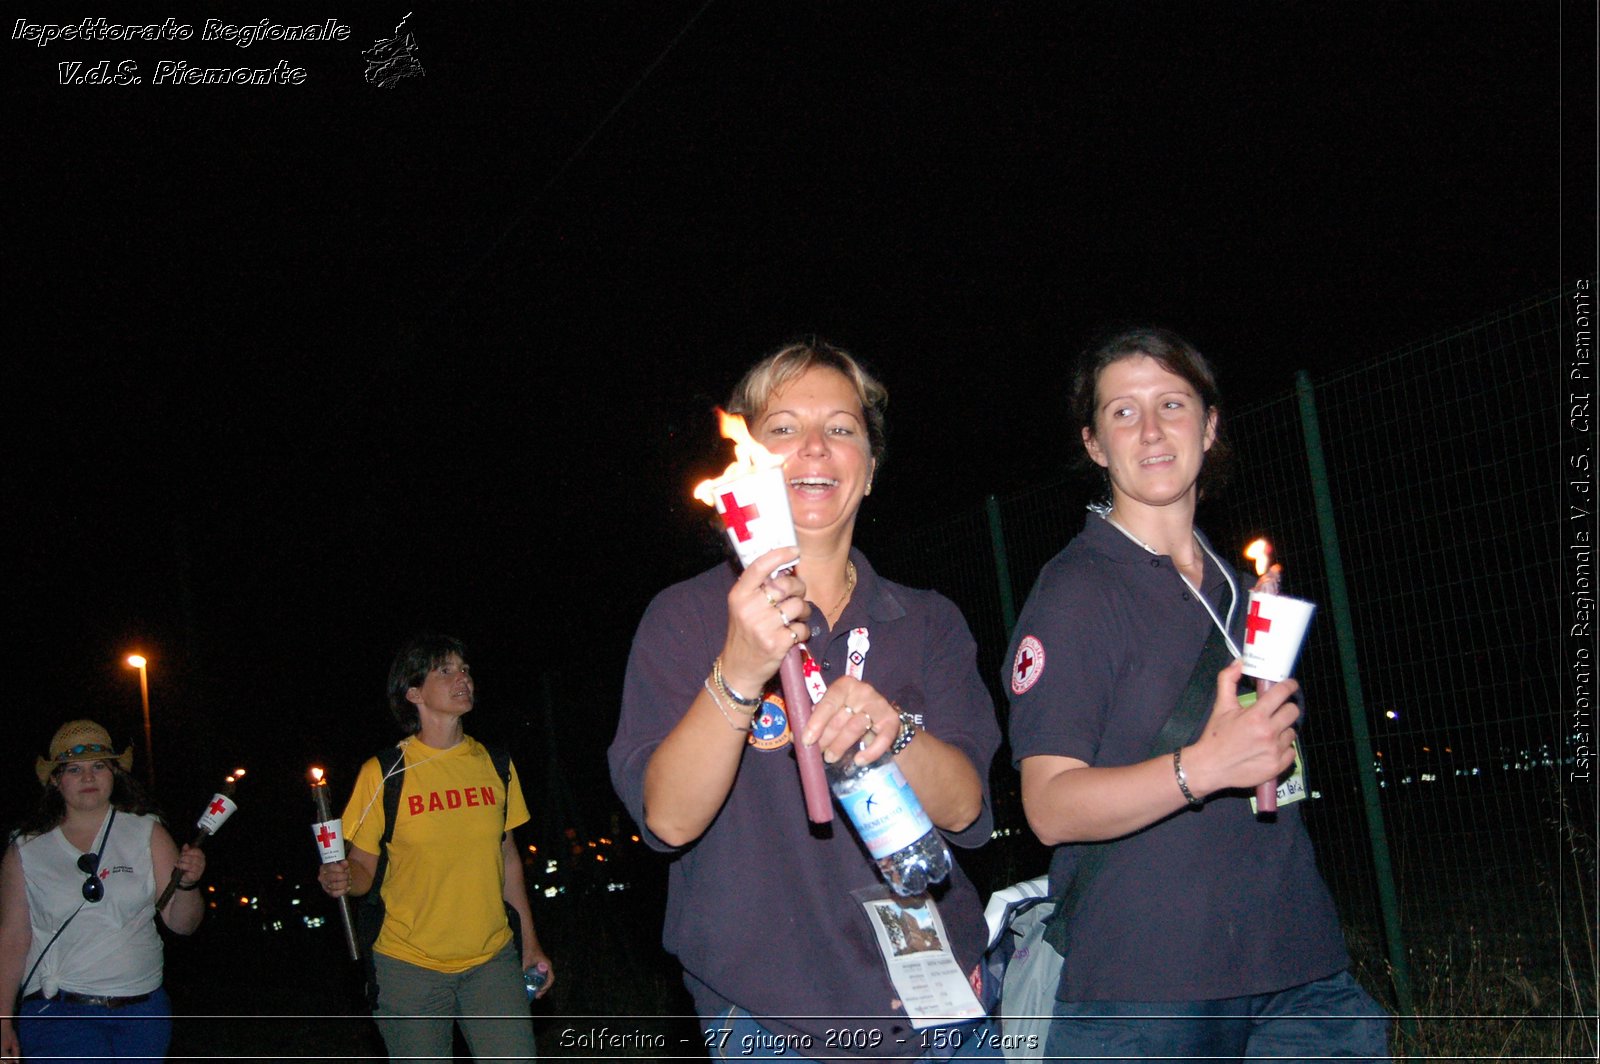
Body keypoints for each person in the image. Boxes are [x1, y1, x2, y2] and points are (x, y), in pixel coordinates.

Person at [609, 340, 1003, 1062]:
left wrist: (898, 735)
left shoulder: (928, 620)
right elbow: (665, 820)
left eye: (843, 428)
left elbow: (966, 810)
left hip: (947, 1009)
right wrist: (737, 668)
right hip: (775, 1025)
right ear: (746, 463)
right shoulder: (685, 618)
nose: (815, 448)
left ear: (871, 469)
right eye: (784, 429)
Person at [1004, 326, 1390, 1061]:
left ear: (1210, 427)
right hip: (1148, 989)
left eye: (1173, 405)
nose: (1150, 430)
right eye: (1123, 412)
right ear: (1094, 444)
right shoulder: (1076, 593)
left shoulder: (1244, 591)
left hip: (1298, 966)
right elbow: (1049, 808)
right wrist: (1202, 768)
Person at [316, 634, 553, 1063]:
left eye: (464, 669)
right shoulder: (384, 773)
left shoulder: (495, 764)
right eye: (444, 670)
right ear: (413, 692)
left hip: (492, 961)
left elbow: (508, 858)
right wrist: (345, 878)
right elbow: (364, 866)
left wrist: (531, 944)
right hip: (410, 967)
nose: (461, 677)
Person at [0, 719, 207, 1063]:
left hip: (142, 1014)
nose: (88, 777)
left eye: (99, 766)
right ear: (55, 780)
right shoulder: (26, 848)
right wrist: (3, 1020)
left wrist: (187, 883)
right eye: (74, 769)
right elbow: (11, 939)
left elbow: (182, 923)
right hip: (59, 1012)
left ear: (114, 774)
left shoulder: (147, 831)